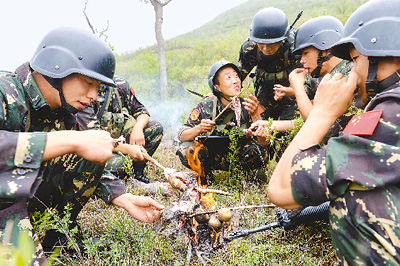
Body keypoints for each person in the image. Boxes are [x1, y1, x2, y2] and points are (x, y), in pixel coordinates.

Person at [0, 27, 163, 265]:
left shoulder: (63, 111)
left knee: (93, 152)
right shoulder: (6, 92)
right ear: (57, 69)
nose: (95, 96)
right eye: (89, 83)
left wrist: (123, 197)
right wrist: (72, 140)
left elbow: (86, 159)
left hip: (14, 201)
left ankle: (56, 236)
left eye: (98, 88)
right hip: (6, 205)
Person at [267, 0, 400, 264]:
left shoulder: (390, 115)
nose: (354, 69)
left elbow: (280, 190)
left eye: (355, 59)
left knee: (351, 190)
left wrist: (322, 112)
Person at [250, 16, 357, 141]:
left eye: (306, 53)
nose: (302, 60)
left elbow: (318, 127)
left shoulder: (346, 76)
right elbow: (309, 120)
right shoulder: (329, 76)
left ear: (326, 49)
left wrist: (297, 86)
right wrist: (271, 125)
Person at [176, 60, 268, 184]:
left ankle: (247, 176)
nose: (235, 81)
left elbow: (265, 142)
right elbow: (182, 135)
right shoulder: (205, 107)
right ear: (216, 86)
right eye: (228, 78)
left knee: (259, 152)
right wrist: (199, 128)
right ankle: (205, 174)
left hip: (239, 156)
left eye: (236, 76)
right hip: (212, 156)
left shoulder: (249, 105)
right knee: (186, 149)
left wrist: (255, 115)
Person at [76, 76, 164, 184]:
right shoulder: (84, 88)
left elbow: (142, 111)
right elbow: (92, 138)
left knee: (155, 128)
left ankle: (138, 175)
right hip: (93, 147)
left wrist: (138, 128)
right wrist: (127, 149)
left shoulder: (119, 85)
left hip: (117, 141)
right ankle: (96, 183)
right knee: (120, 163)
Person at [237, 7, 301, 120]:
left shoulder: (295, 49)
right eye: (261, 43)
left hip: (292, 95)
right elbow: (238, 76)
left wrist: (288, 91)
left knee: (287, 130)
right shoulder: (250, 49)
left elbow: (307, 86)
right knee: (257, 126)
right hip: (264, 93)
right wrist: (218, 92)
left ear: (283, 39)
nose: (266, 49)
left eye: (272, 43)